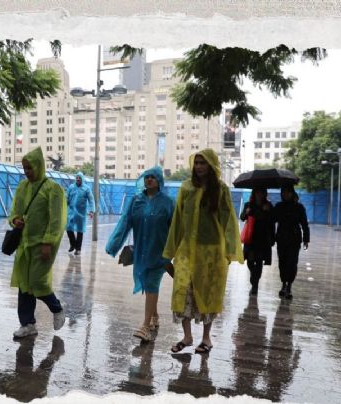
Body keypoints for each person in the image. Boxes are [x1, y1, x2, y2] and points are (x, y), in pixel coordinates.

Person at [163, 149, 244, 354]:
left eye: (203, 163)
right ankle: (187, 336)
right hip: (186, 251)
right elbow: (178, 221)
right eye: (197, 163)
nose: (199, 166)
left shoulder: (221, 189)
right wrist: (170, 251)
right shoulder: (186, 188)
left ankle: (206, 338)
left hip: (211, 252)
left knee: (208, 292)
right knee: (182, 291)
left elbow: (228, 221)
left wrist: (230, 250)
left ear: (211, 166)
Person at [105, 167, 175, 342]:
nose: (149, 180)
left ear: (159, 181)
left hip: (161, 251)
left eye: (153, 177)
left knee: (152, 283)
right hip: (142, 251)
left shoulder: (168, 202)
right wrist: (114, 244)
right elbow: (125, 222)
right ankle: (154, 316)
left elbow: (176, 228)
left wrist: (178, 251)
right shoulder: (136, 200)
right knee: (147, 283)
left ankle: (145, 326)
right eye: (146, 177)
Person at [9, 147, 67, 339]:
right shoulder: (22, 187)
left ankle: (57, 309)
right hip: (24, 245)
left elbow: (56, 219)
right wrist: (15, 220)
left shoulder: (52, 189)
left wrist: (48, 242)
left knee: (37, 282)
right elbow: (14, 211)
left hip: (41, 245)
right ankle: (27, 324)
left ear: (39, 166)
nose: (27, 172)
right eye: (25, 168)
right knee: (24, 284)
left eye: (30, 168)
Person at [273, 186, 309, 300]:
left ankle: (289, 286)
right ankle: (283, 284)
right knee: (282, 262)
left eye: (287, 192)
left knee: (292, 263)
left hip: (294, 239)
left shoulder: (299, 207)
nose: (285, 194)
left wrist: (306, 239)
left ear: (292, 193)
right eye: (283, 192)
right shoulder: (278, 206)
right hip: (281, 238)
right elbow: (272, 220)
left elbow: (304, 224)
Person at [239, 187, 275, 296]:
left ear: (264, 194)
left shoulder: (268, 206)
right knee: (250, 261)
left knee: (259, 261)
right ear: (254, 194)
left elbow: (272, 222)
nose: (259, 195)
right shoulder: (248, 205)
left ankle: (255, 286)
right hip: (250, 238)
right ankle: (253, 277)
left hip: (263, 238)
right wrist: (246, 213)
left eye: (261, 193)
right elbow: (242, 217)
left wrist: (267, 212)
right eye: (257, 193)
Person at [66, 172, 95, 255]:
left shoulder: (86, 189)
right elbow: (66, 197)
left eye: (79, 178)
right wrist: (64, 206)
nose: (78, 179)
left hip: (81, 213)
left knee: (80, 231)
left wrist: (91, 211)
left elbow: (91, 200)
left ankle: (78, 249)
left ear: (82, 179)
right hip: (71, 212)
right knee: (68, 228)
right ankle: (73, 244)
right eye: (77, 178)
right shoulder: (71, 187)